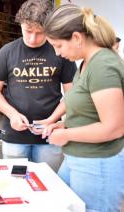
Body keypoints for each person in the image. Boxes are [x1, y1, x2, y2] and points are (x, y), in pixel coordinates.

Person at [43, 4, 124, 212]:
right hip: (80, 158)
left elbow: (114, 127)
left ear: (77, 38)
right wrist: (63, 124)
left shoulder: (102, 66)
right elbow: (89, 111)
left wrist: (67, 134)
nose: (57, 53)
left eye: (58, 46)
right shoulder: (87, 63)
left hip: (97, 163)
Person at [0, 0, 77, 172]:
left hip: (49, 135)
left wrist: (52, 120)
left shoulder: (60, 50)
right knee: (16, 187)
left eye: (40, 33)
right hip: (14, 136)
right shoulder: (7, 51)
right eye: (28, 31)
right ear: (20, 23)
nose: (32, 38)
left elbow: (72, 94)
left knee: (49, 186)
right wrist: (12, 114)